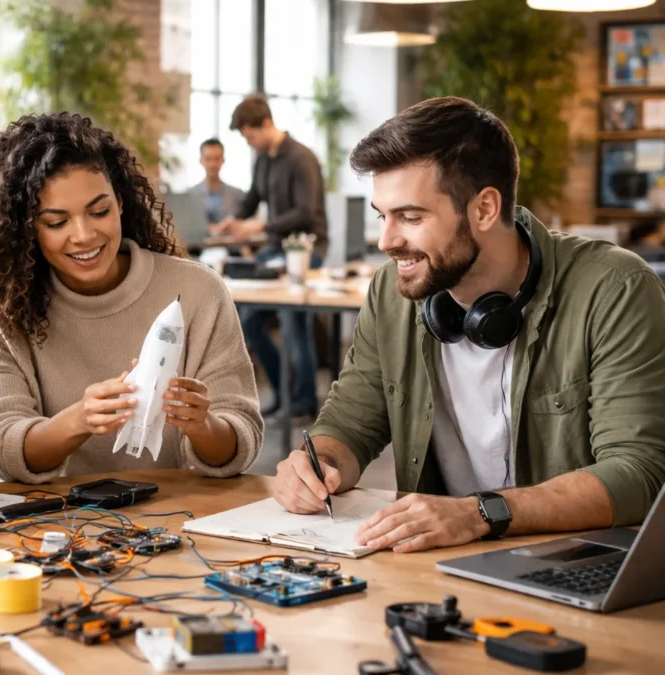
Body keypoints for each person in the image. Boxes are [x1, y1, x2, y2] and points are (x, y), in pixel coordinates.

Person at [273, 96, 665, 553]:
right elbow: (349, 425)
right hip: (441, 560)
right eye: (383, 216)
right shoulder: (392, 293)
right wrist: (317, 464)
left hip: (576, 561)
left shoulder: (613, 288)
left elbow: (639, 472)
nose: (386, 240)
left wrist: (479, 513)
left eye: (411, 217)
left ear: (483, 209)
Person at [0, 113, 263, 484]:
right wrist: (80, 419)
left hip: (179, 518)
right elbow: (1, 447)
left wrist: (202, 425)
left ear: (120, 203)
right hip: (50, 525)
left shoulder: (199, 291)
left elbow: (240, 438)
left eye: (99, 211)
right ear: (25, 228)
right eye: (56, 222)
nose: (84, 235)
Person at [214, 95, 328, 418]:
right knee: (248, 320)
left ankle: (304, 401)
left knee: (294, 320)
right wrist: (233, 219)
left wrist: (259, 226)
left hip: (306, 249)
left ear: (266, 124)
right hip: (275, 250)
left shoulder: (302, 158)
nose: (250, 143)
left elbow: (306, 213)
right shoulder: (264, 159)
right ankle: (284, 391)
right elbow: (251, 198)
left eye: (250, 136)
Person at [189, 138, 243, 225]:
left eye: (217, 159)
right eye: (208, 159)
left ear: (223, 160)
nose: (213, 164)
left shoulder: (237, 195)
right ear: (201, 161)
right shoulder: (189, 195)